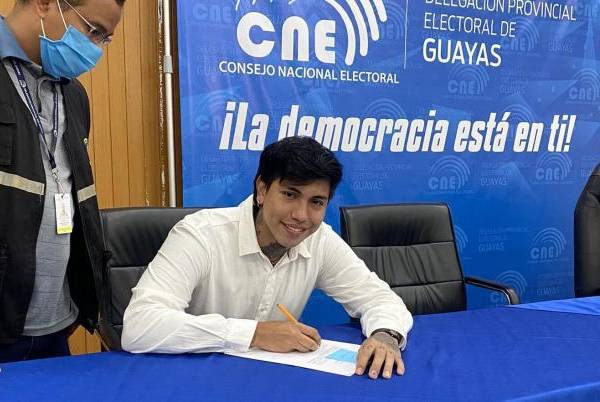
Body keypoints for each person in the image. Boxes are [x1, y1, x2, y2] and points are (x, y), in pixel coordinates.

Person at [123, 137, 413, 379]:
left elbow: (379, 298)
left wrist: (385, 335)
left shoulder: (320, 240)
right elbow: (140, 325)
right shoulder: (200, 235)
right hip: (192, 378)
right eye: (290, 195)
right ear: (262, 190)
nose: (301, 215)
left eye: (316, 202)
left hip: (268, 381)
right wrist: (255, 334)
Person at [0, 0, 123, 362]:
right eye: (94, 31)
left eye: (105, 39)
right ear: (44, 4)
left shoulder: (73, 94)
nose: (96, 49)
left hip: (56, 324)